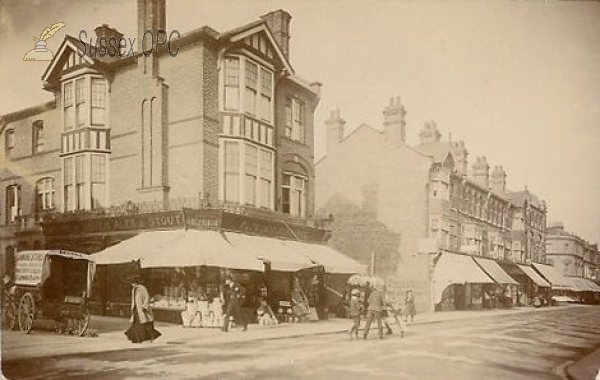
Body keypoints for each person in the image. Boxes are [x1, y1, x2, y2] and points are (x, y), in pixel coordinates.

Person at [125, 274, 161, 343]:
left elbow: (147, 297)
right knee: (136, 324)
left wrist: (144, 306)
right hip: (136, 309)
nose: (132, 284)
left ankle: (146, 338)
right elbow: (133, 299)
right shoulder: (133, 289)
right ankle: (136, 338)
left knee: (143, 324)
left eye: (133, 283)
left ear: (136, 282)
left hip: (141, 309)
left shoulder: (142, 288)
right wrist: (132, 307)